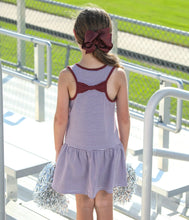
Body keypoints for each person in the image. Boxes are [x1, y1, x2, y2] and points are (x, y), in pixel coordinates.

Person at [52, 7, 130, 220]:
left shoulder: (67, 75)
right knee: (105, 200)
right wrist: (121, 150)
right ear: (107, 36)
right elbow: (124, 119)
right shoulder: (118, 74)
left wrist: (60, 153)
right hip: (108, 150)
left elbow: (60, 120)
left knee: (83, 204)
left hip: (78, 152)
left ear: (76, 36)